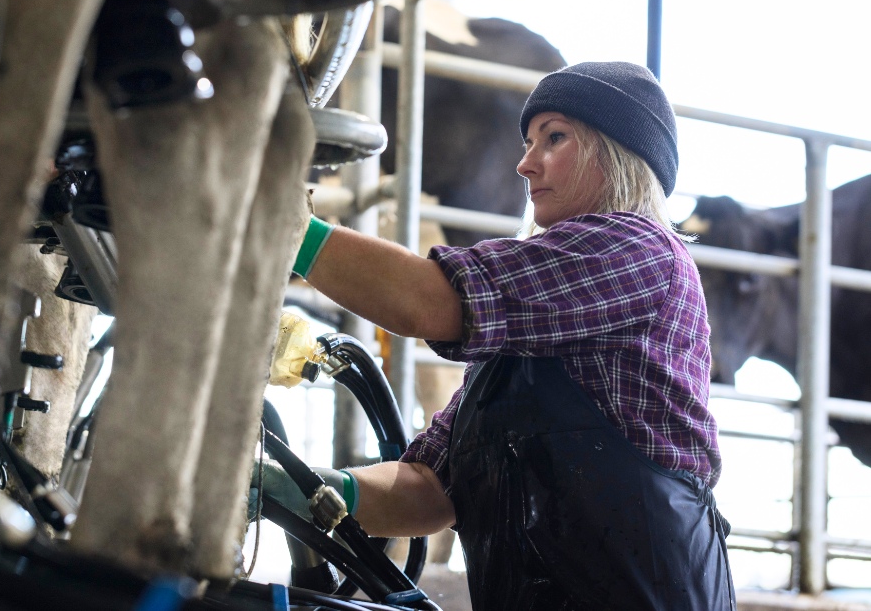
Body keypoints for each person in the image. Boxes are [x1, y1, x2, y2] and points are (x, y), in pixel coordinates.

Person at [254, 61, 736, 610]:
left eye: (554, 138)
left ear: (619, 151)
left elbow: (428, 300)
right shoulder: (520, 337)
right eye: (529, 142)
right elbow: (430, 490)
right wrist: (307, 488)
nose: (525, 164)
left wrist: (288, 228)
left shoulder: (640, 253)